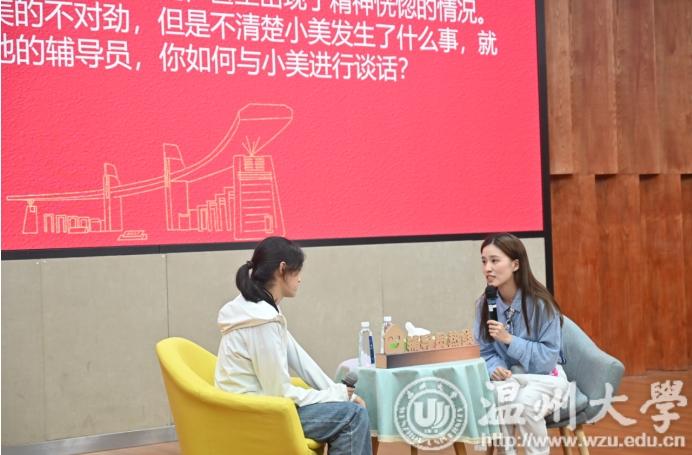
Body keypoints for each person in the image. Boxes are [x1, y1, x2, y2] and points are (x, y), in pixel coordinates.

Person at [215, 236, 372, 455]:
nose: (300, 279)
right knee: (353, 416)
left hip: (256, 407)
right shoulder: (261, 320)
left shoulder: (260, 308)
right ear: (282, 269)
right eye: (297, 272)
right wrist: (337, 395)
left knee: (351, 409)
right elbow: (279, 394)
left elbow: (301, 360)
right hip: (255, 414)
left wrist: (343, 394)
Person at [474, 233, 569, 455]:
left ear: (515, 264)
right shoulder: (484, 304)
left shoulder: (541, 304)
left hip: (546, 379)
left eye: (495, 261)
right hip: (510, 379)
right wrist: (495, 368)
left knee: (525, 403)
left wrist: (509, 339)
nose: (487, 268)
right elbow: (484, 351)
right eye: (484, 261)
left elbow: (547, 360)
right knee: (498, 397)